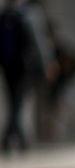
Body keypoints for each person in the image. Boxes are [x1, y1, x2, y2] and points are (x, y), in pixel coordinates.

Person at [0, 0, 46, 153]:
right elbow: (38, 42)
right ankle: (13, 138)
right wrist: (46, 63)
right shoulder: (28, 15)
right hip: (24, 67)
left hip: (8, 66)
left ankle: (13, 138)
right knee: (18, 103)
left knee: (14, 101)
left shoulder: (5, 15)